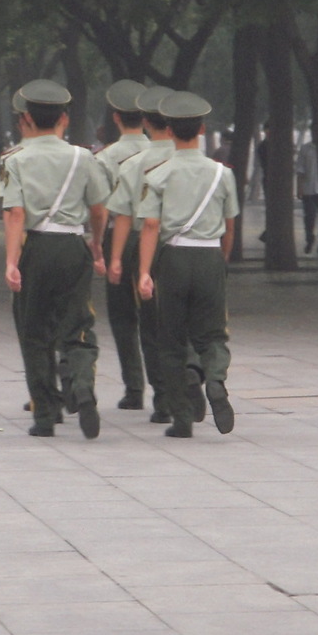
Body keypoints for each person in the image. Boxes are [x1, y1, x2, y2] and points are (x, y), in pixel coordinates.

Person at [0, 80, 108, 439]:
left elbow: (15, 213)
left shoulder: (13, 160)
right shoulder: (83, 157)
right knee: (78, 324)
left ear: (27, 119)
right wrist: (96, 244)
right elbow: (99, 209)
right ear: (64, 118)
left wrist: (12, 261)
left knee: (35, 332)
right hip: (73, 245)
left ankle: (46, 415)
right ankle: (82, 385)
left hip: (36, 247)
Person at [136, 92, 239, 438]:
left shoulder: (158, 174)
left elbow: (151, 226)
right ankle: (216, 379)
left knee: (171, 339)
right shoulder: (222, 174)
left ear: (169, 131)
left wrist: (144, 272)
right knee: (213, 333)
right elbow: (230, 224)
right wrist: (222, 258)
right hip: (209, 255)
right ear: (202, 129)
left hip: (174, 258)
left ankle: (181, 419)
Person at [104, 86, 180, 425]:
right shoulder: (189, 159)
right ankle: (188, 380)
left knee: (130, 319)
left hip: (132, 238)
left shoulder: (112, 159)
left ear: (117, 117)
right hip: (181, 241)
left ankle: (139, 389)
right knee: (178, 318)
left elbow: (110, 209)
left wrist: (111, 255)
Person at [92, 80, 150, 409]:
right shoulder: (164, 152)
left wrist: (98, 246)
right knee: (162, 315)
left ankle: (134, 389)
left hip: (120, 237)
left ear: (116, 118)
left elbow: (100, 208)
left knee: (123, 317)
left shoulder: (105, 158)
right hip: (160, 237)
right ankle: (172, 387)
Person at [296, 137, 318, 254]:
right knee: (309, 217)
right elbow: (300, 169)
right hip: (308, 189)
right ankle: (309, 238)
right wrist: (299, 187)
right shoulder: (305, 148)